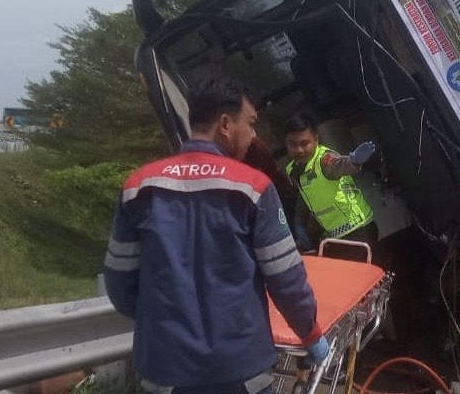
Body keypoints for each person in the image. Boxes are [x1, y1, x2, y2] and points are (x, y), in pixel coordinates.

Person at [104, 77, 329, 394]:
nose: (253, 136)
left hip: (165, 371)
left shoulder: (138, 187)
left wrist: (163, 323)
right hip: (239, 371)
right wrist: (311, 335)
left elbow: (119, 283)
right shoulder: (253, 188)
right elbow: (286, 281)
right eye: (250, 124)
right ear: (225, 124)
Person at [283, 112, 377, 251]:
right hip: (337, 235)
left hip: (358, 229)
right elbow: (305, 195)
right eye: (292, 144)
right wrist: (299, 223)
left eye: (304, 143)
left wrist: (354, 161)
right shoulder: (293, 169)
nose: (299, 150)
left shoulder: (324, 160)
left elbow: (339, 165)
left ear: (316, 139)